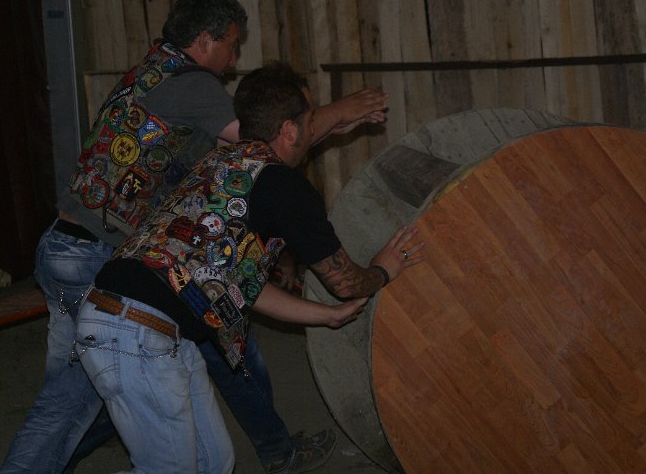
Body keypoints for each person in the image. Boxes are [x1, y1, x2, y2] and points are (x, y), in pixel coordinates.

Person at [0, 0, 388, 474]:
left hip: (68, 247)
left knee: (153, 364)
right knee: (83, 398)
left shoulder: (151, 69)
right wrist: (342, 111)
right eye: (232, 45)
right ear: (205, 39)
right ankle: (272, 449)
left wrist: (326, 126)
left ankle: (273, 447)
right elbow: (265, 138)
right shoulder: (194, 86)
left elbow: (270, 146)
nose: (233, 60)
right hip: (99, 256)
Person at [73, 61, 422, 473]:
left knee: (214, 462)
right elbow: (345, 282)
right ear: (289, 130)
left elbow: (235, 289)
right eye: (310, 119)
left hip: (138, 323)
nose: (315, 128)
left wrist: (324, 316)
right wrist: (382, 270)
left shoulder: (222, 161)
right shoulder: (286, 188)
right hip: (137, 330)